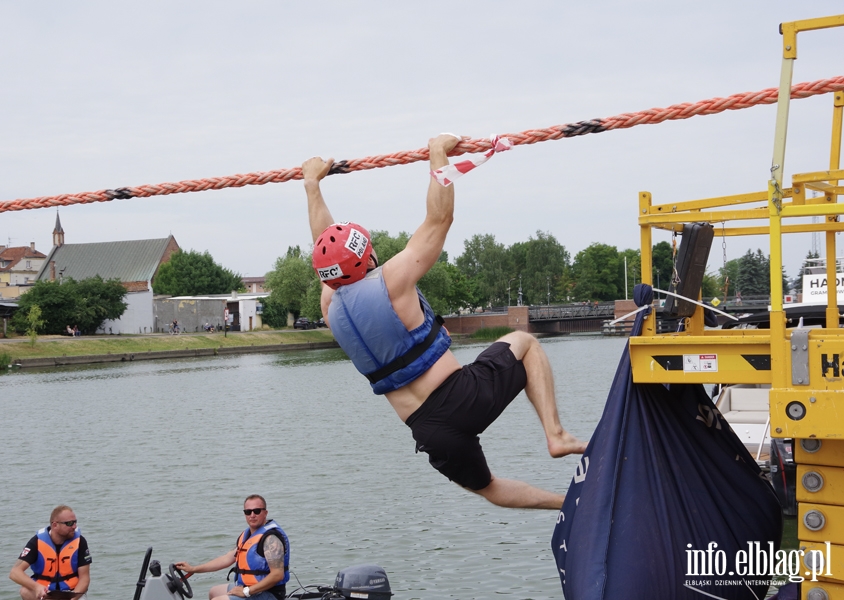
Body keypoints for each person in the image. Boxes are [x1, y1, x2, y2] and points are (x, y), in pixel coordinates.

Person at [303, 134, 586, 510]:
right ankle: (556, 435)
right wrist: (438, 154)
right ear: (368, 258)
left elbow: (327, 246)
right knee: (526, 343)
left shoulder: (331, 306)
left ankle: (570, 505)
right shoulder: (393, 280)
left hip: (428, 430)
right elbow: (439, 219)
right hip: (460, 395)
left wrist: (312, 186)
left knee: (489, 488)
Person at [175, 495, 289, 600]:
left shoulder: (271, 539)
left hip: (269, 594)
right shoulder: (248, 535)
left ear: (265, 513)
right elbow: (227, 559)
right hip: (249, 588)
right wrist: (193, 569)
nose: (252, 515)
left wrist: (246, 591)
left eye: (257, 511)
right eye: (248, 512)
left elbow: (277, 575)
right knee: (214, 592)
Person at [10, 505, 92, 599]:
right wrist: (37, 587)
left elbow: (84, 578)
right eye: (69, 523)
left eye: (75, 522)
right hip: (47, 594)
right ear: (55, 525)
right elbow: (14, 572)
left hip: (71, 593)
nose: (74, 526)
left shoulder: (80, 542)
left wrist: (73, 598)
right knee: (24, 591)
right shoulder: (37, 542)